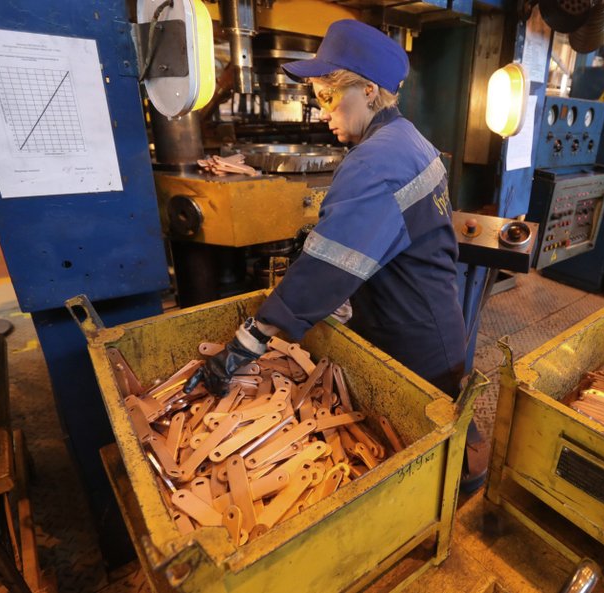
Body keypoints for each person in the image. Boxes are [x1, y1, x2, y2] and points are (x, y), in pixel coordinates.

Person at [188, 19, 467, 403]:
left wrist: (247, 343)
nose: (323, 113)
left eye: (327, 97)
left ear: (369, 91)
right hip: (433, 322)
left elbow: (325, 269)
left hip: (410, 344)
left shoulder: (374, 161)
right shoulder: (410, 139)